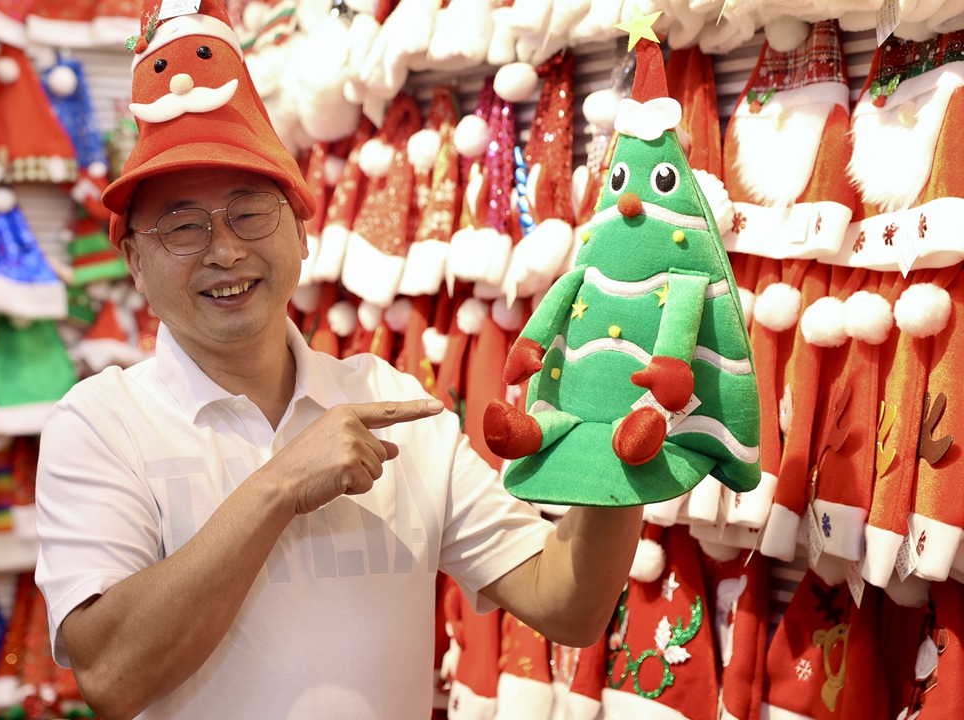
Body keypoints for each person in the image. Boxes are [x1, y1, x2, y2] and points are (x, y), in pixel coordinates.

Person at [34, 2, 642, 718]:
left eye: (250, 211)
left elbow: (567, 602)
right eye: (181, 225)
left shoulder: (391, 402)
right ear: (134, 262)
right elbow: (111, 676)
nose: (225, 249)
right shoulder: (102, 424)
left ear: (301, 226)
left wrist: (620, 431)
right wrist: (280, 482)